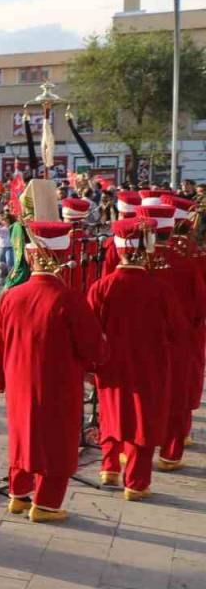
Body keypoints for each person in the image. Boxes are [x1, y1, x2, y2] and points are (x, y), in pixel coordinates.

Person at [0, 220, 106, 523]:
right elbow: (94, 350)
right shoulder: (70, 298)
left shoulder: (12, 295)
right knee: (58, 442)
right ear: (62, 257)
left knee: (23, 434)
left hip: (19, 380)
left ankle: (19, 495)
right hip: (58, 382)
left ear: (29, 255)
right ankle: (47, 504)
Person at [87, 217, 179, 500]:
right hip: (150, 365)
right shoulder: (160, 289)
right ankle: (136, 483)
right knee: (144, 420)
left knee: (112, 412)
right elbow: (176, 331)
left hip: (111, 363)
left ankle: (109, 466)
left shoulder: (101, 287)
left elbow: (90, 330)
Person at [142, 201, 206, 472]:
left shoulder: (137, 262)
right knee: (177, 396)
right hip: (181, 340)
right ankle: (170, 454)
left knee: (142, 395)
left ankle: (134, 453)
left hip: (143, 339)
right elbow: (201, 306)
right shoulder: (188, 259)